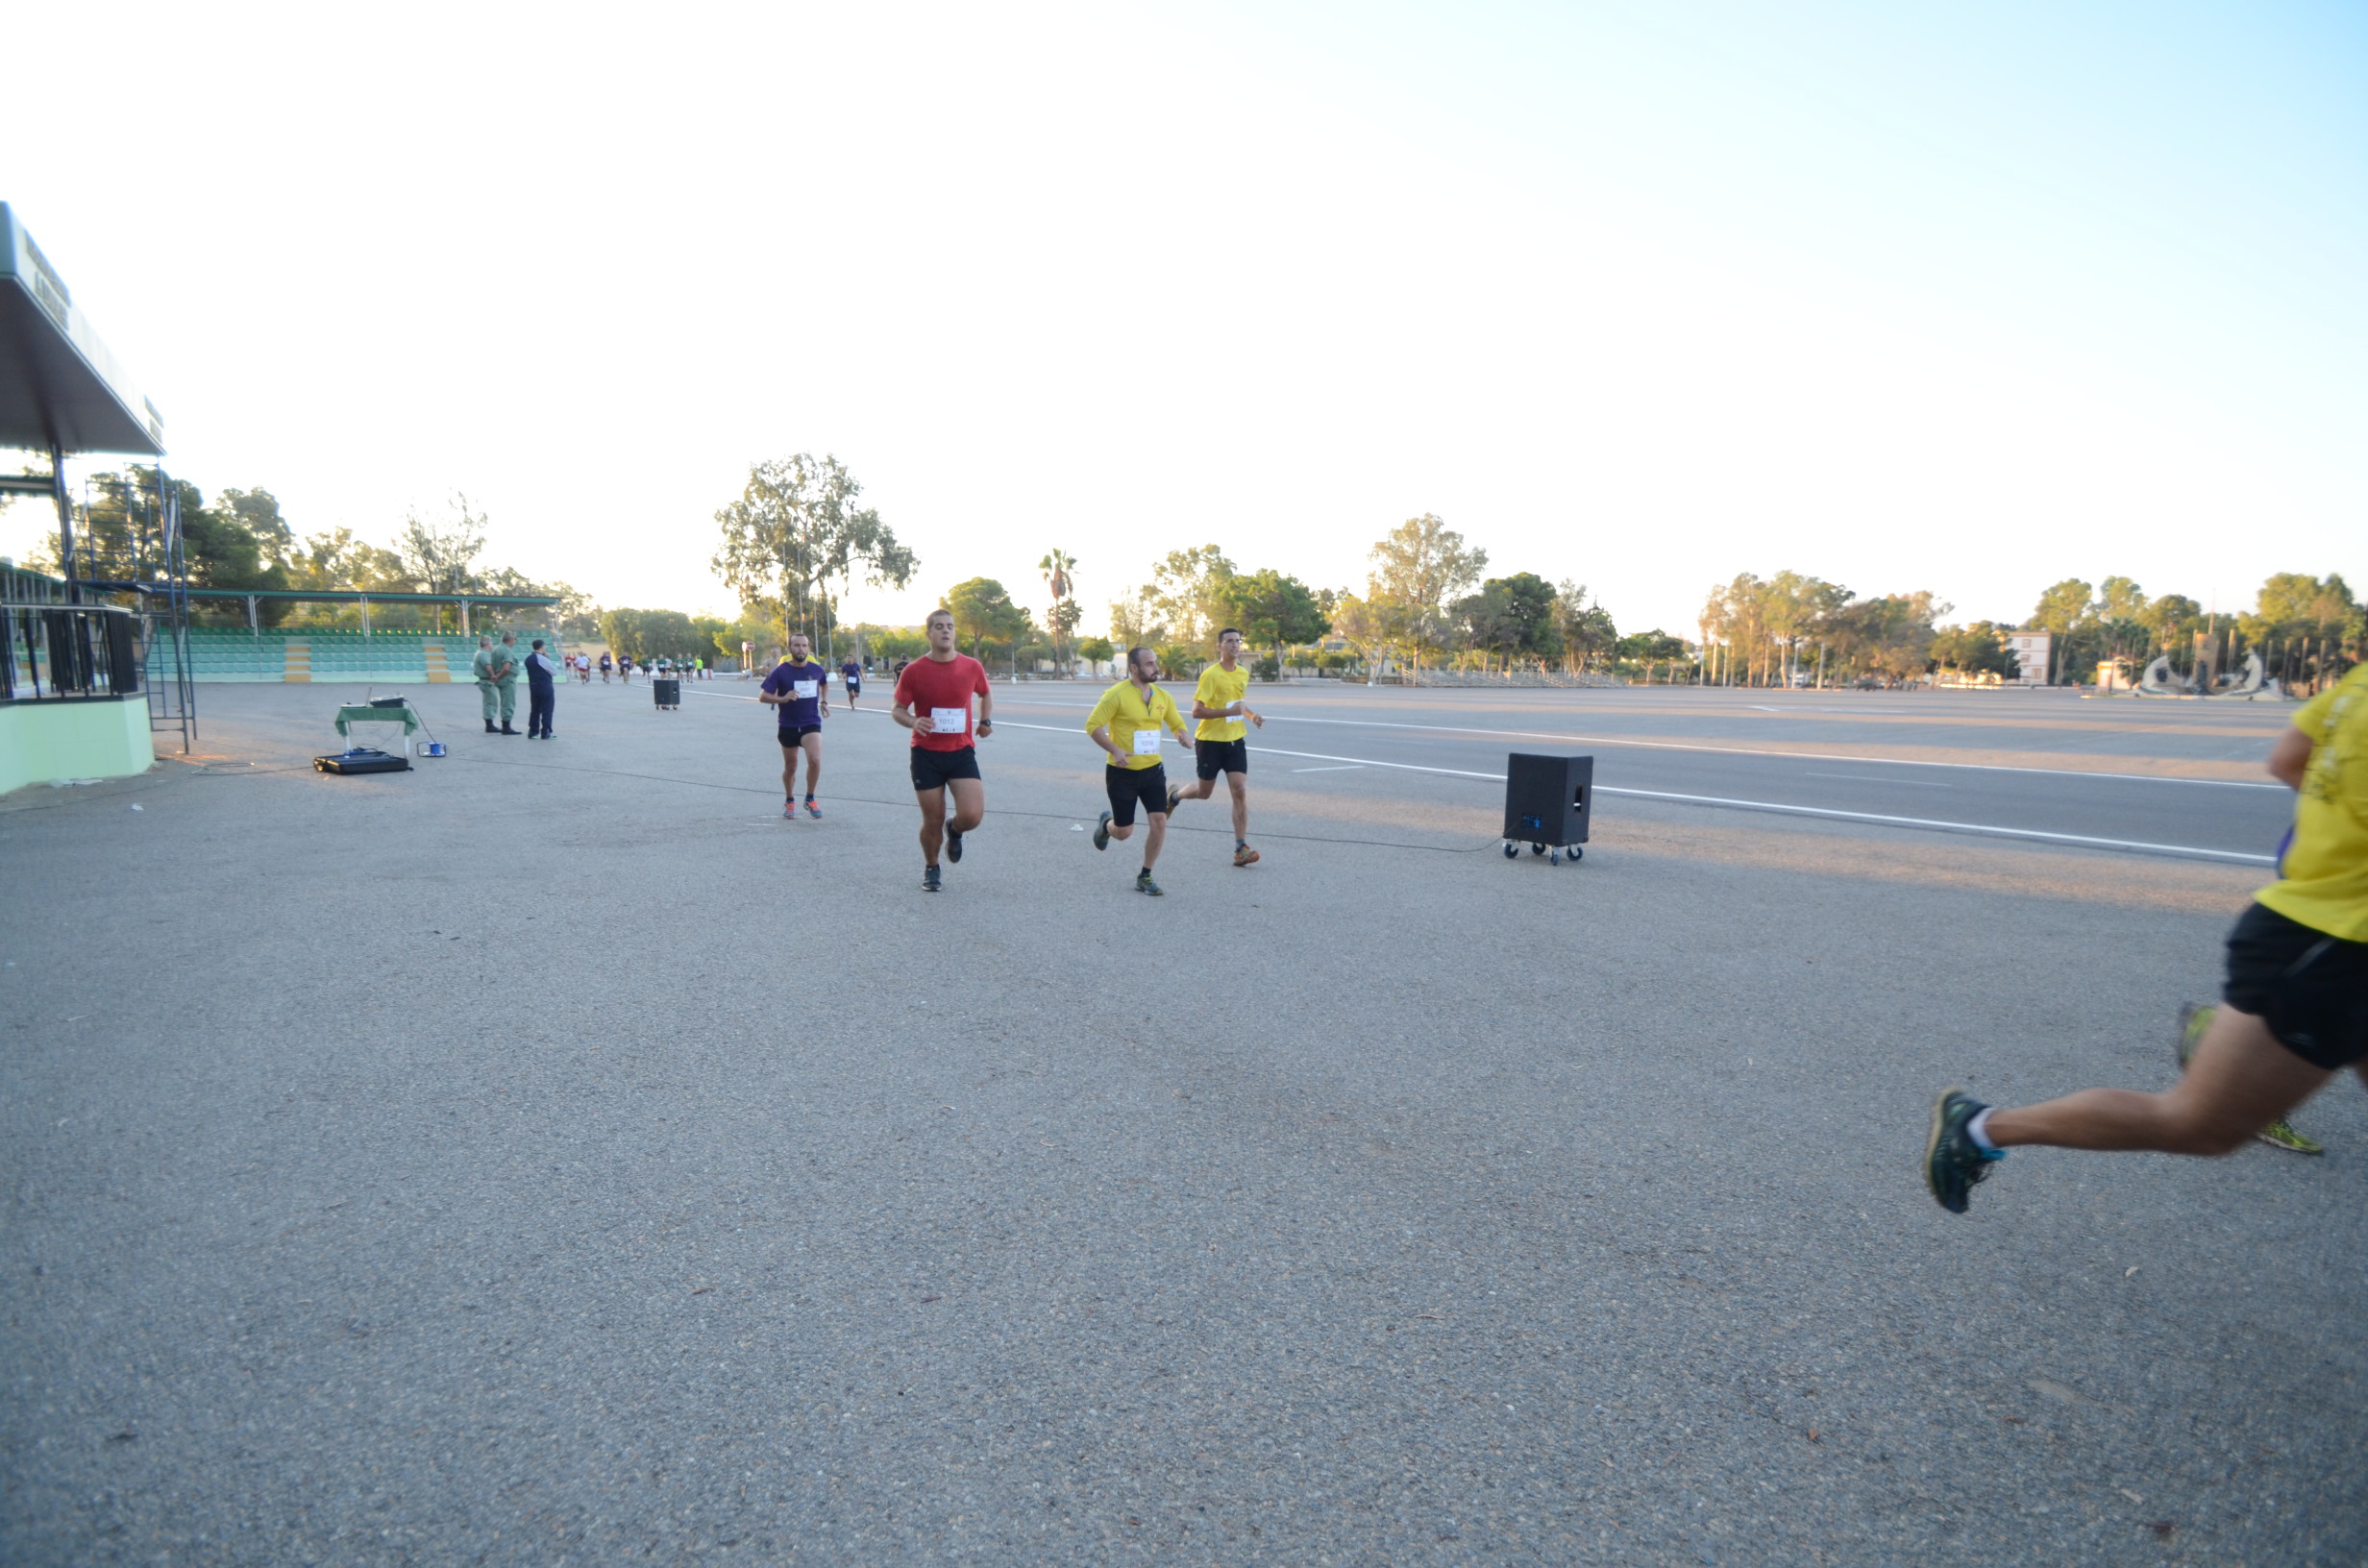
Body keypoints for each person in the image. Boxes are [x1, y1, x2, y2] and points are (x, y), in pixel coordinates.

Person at [1926, 661, 2368, 1213]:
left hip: (2327, 924)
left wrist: (2338, 837)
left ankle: (2225, 1038)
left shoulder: (2358, 682)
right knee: (2198, 1125)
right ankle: (1979, 1128)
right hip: (2332, 943)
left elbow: (2287, 758)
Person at [891, 608, 993, 892]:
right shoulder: (914, 671)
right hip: (926, 754)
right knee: (932, 819)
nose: (946, 630)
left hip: (961, 752)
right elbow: (897, 709)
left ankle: (955, 829)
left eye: (950, 626)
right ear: (929, 634)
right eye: (939, 626)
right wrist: (914, 721)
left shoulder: (971, 666)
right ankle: (932, 866)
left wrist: (985, 720)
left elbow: (985, 692)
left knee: (972, 815)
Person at [1087, 646, 1194, 896]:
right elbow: (1092, 725)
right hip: (1122, 772)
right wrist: (1115, 750)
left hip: (1153, 770)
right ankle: (1107, 825)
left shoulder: (1162, 696)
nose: (1156, 668)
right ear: (1134, 668)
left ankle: (1145, 875)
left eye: (1155, 662)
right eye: (1149, 664)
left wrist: (1182, 735)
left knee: (1159, 821)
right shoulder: (1116, 695)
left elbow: (1176, 722)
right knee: (1124, 832)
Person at [1168, 625, 1264, 868]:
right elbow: (1196, 711)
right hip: (1210, 742)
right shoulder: (1210, 675)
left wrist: (1251, 716)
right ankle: (1175, 796)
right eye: (1229, 641)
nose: (1235, 645)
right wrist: (1227, 712)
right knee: (1204, 792)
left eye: (1238, 641)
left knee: (1239, 790)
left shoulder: (1242, 673)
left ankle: (1240, 848)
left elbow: (1239, 705)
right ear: (1220, 646)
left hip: (1235, 741)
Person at [760, 633, 832, 819]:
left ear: (808, 648)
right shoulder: (780, 671)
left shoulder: (816, 669)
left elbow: (824, 684)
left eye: (804, 645)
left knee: (815, 760)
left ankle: (810, 797)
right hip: (788, 724)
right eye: (797, 645)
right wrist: (783, 698)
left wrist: (824, 701)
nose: (801, 649)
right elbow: (763, 696)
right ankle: (790, 799)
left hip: (810, 722)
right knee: (791, 767)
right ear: (790, 648)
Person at [473, 632, 520, 735]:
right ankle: (505, 726)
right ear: (510, 639)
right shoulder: (503, 651)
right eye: (514, 639)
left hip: (493, 680)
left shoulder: (495, 649)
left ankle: (496, 725)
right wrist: (495, 676)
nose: (515, 641)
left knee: (495, 702)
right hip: (501, 680)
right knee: (504, 702)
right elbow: (499, 667)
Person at [524, 638, 561, 738]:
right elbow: (554, 672)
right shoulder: (542, 659)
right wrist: (547, 658)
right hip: (545, 686)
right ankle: (546, 731)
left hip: (533, 686)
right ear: (542, 647)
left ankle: (533, 731)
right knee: (547, 709)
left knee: (535, 709)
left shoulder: (528, 659)